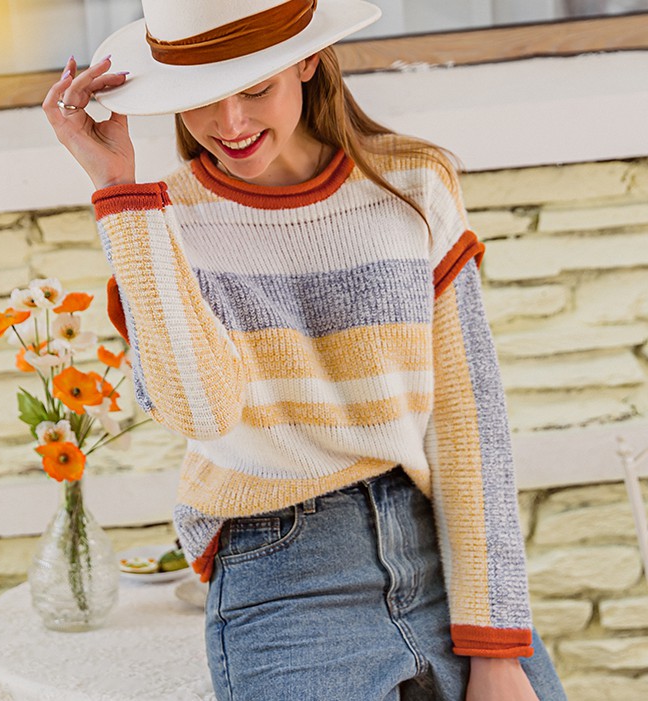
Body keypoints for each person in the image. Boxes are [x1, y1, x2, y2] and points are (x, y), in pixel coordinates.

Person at [43, 1, 567, 699]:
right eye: (202, 96)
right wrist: (117, 190)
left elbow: (469, 420)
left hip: (432, 540)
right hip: (281, 566)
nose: (230, 123)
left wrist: (495, 648)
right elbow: (200, 411)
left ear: (308, 60)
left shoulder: (413, 183)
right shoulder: (161, 219)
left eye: (256, 88)